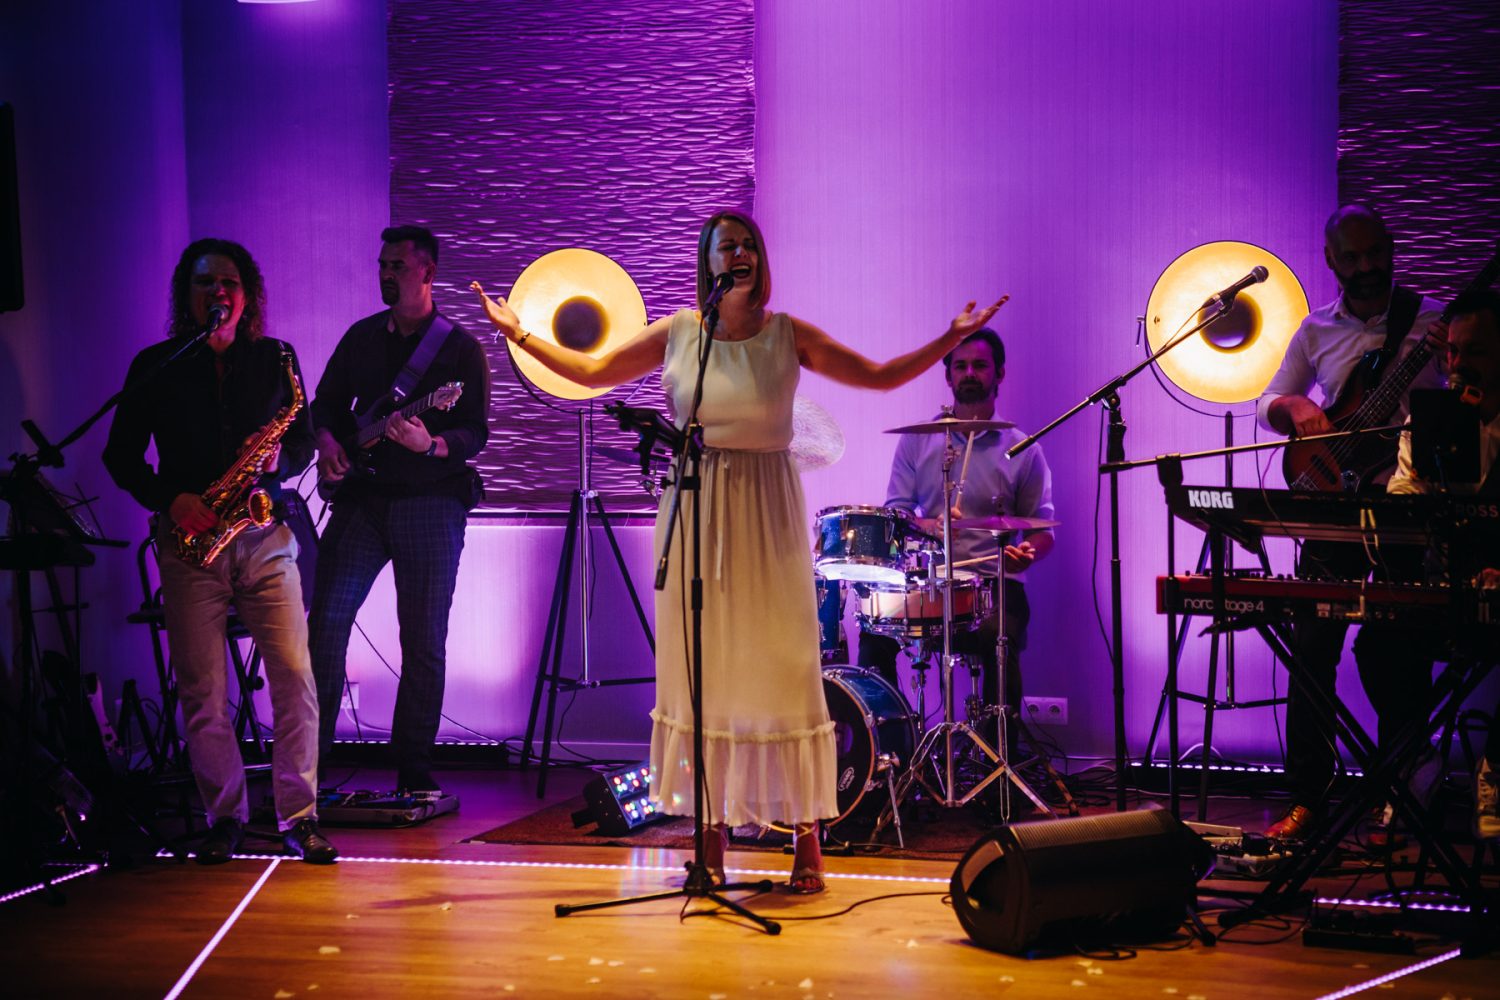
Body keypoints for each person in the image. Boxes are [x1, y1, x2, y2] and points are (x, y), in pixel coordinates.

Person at [472, 210, 1006, 893]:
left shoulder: (787, 334)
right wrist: (518, 333)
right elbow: (595, 370)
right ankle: (711, 839)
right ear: (709, 260)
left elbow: (877, 376)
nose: (741, 252)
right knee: (706, 674)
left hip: (766, 509)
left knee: (784, 668)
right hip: (695, 507)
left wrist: (948, 339)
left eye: (749, 243)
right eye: (728, 245)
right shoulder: (681, 332)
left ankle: (807, 837)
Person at [103, 238, 336, 864]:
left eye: (229, 282)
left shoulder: (276, 358)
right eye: (205, 282)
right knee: (202, 693)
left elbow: (302, 441)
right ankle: (224, 818)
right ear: (187, 295)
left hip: (264, 536)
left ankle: (300, 818)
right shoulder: (156, 364)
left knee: (295, 678)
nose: (218, 292)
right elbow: (119, 456)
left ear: (247, 294)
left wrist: (279, 459)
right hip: (190, 546)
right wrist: (170, 498)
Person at [1256, 204, 1446, 840]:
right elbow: (1266, 402)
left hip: (1404, 507)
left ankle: (1401, 791)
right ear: (1331, 260)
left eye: (1375, 253)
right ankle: (1307, 798)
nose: (1366, 267)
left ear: (1391, 249)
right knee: (1311, 651)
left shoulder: (1431, 324)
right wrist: (1296, 406)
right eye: (1352, 257)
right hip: (1333, 507)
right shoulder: (1315, 329)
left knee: (1397, 651)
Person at [307, 225, 491, 794]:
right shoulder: (361, 337)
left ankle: (413, 770)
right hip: (362, 498)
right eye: (382, 266)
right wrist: (328, 444)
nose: (386, 275)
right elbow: (325, 405)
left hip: (431, 502)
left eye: (398, 267)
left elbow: (475, 432)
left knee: (423, 638)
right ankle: (309, 768)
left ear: (427, 272)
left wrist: (430, 445)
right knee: (325, 624)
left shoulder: (459, 349)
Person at [856, 328, 1054, 757]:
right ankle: (891, 756)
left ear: (999, 373)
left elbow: (1043, 530)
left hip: (994, 584)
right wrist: (932, 526)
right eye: (960, 365)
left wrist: (1027, 554)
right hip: (929, 584)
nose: (969, 373)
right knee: (874, 635)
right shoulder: (918, 440)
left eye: (980, 365)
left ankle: (1001, 764)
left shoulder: (1023, 449)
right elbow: (897, 514)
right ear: (947, 376)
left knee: (1000, 637)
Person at [1387, 288, 1500, 839]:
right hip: (1446, 586)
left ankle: (1495, 769)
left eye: (1474, 351)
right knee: (1379, 645)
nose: (1457, 363)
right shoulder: (1428, 418)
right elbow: (1401, 497)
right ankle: (1414, 763)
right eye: (1451, 350)